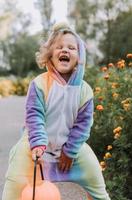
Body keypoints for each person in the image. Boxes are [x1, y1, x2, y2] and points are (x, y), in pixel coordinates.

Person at [2, 22, 110, 200]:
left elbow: (83, 125)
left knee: (94, 173)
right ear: (50, 55)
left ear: (79, 56)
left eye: (71, 47)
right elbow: (34, 116)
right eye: (59, 47)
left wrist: (71, 150)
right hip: (35, 145)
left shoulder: (85, 91)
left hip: (70, 146)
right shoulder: (39, 84)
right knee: (15, 180)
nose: (65, 50)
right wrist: (37, 144)